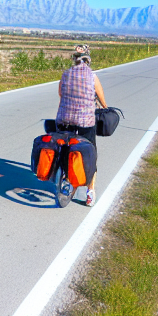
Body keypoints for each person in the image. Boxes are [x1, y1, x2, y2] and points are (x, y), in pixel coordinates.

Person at [55, 44, 107, 207]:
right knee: (90, 153)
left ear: (74, 60)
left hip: (64, 120)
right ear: (88, 60)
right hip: (85, 122)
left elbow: (61, 94)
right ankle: (90, 192)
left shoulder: (65, 75)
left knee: (64, 148)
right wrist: (105, 108)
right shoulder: (92, 76)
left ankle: (65, 181)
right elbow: (101, 97)